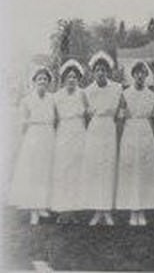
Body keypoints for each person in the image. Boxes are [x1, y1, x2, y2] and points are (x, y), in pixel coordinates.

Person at [116, 61, 154, 226]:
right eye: (136, 72)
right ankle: (132, 211)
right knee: (131, 171)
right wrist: (119, 140)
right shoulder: (125, 94)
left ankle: (142, 211)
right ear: (133, 75)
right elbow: (121, 119)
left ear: (146, 75)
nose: (139, 75)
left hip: (146, 133)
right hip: (130, 133)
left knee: (144, 172)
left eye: (142, 72)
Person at [9, 66, 56, 225]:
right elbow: (22, 122)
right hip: (34, 137)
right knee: (33, 173)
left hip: (48, 136)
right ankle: (33, 210)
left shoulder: (52, 99)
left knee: (45, 172)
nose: (42, 81)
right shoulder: (27, 100)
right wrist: (30, 132)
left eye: (45, 79)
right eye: (39, 79)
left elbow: (56, 118)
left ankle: (42, 205)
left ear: (48, 82)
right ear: (34, 82)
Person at [82, 51, 122, 226]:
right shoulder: (87, 91)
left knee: (108, 168)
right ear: (93, 72)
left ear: (108, 71)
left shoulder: (117, 88)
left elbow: (120, 113)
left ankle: (107, 210)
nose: (100, 73)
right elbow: (85, 116)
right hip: (94, 130)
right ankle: (97, 210)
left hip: (109, 129)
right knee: (95, 169)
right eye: (97, 69)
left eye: (104, 69)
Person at [51, 60, 88, 224]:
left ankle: (74, 210)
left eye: (74, 77)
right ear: (64, 79)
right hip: (63, 134)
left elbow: (88, 116)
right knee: (63, 171)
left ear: (78, 79)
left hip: (79, 133)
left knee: (76, 171)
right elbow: (53, 119)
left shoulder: (83, 94)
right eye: (68, 76)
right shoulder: (57, 96)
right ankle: (62, 210)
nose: (72, 79)